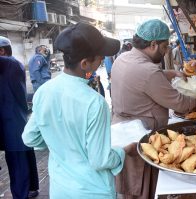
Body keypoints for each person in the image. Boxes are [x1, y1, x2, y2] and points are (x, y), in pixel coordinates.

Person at [22, 22, 126, 199]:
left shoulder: (44, 92)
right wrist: (122, 152)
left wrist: (59, 140)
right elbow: (100, 160)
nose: (102, 60)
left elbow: (30, 137)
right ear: (85, 63)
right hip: (93, 191)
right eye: (100, 57)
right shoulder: (95, 103)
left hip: (61, 189)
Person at [111, 19, 196, 199]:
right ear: (153, 44)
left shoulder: (123, 58)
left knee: (129, 187)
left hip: (122, 130)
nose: (165, 52)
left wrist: (170, 73)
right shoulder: (147, 70)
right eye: (164, 47)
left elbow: (141, 78)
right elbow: (178, 102)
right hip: (140, 136)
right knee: (141, 187)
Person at [0, 36, 39, 198]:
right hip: (16, 118)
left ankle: (21, 194)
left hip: (11, 120)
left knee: (18, 159)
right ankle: (31, 188)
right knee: (24, 154)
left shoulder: (10, 64)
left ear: (2, 51)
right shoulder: (12, 64)